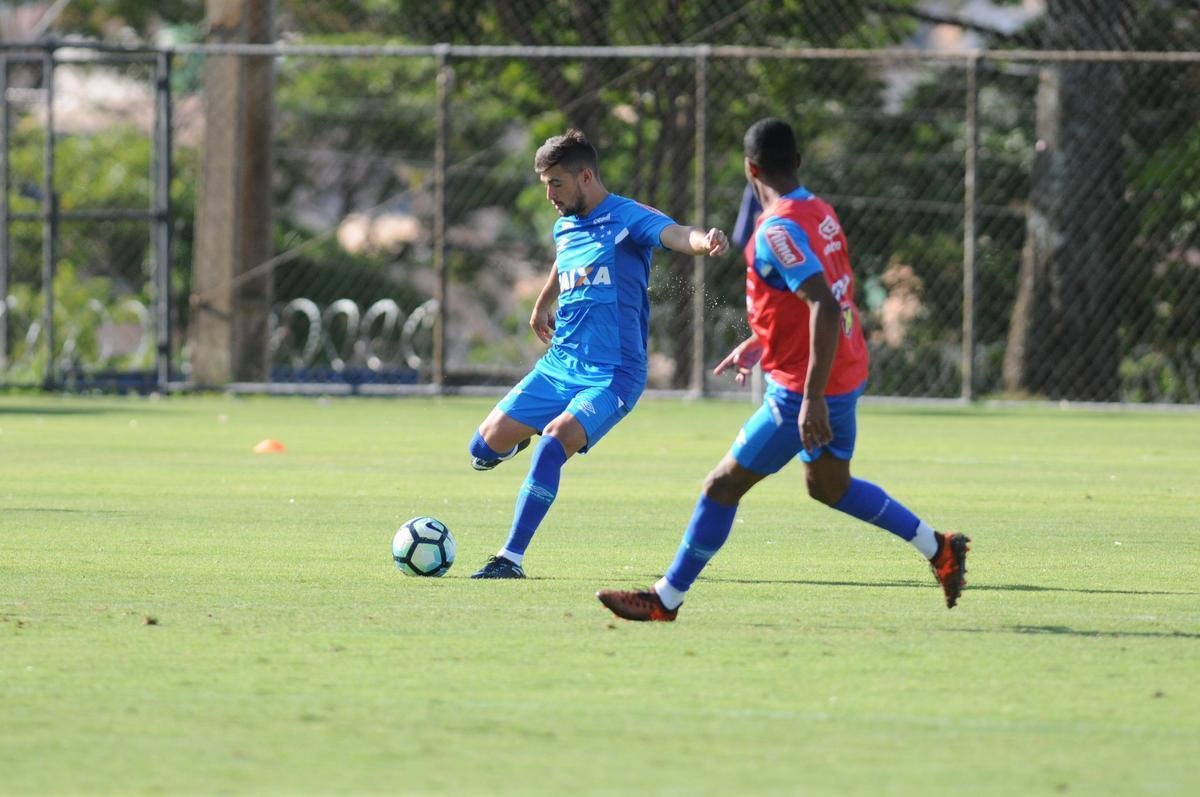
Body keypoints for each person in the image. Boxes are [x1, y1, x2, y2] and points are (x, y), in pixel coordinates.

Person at [597, 117, 970, 620]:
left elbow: (821, 302)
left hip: (803, 387)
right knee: (829, 486)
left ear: (750, 169)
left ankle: (667, 597)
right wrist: (762, 339)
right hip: (843, 367)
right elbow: (823, 294)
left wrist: (810, 397)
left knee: (721, 486)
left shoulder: (775, 230)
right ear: (797, 162)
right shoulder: (820, 211)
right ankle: (939, 547)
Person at [467, 129, 730, 579]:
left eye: (556, 183)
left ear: (585, 176)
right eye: (545, 184)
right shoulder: (565, 222)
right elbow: (564, 256)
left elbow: (673, 233)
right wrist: (542, 302)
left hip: (612, 375)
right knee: (481, 449)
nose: (549, 194)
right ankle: (513, 440)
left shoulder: (628, 217)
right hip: (558, 365)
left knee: (553, 443)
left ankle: (509, 559)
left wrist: (703, 241)